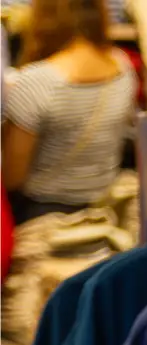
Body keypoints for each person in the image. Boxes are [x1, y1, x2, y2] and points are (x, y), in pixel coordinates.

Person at [2, 0, 136, 225]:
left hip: (43, 217)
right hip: (104, 213)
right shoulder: (122, 66)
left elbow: (12, 178)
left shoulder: (36, 81)